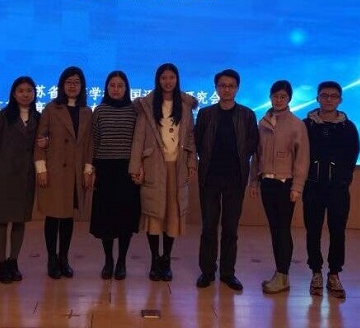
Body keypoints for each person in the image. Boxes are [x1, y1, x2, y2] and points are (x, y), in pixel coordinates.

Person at [129, 63, 197, 282]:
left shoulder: (185, 106)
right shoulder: (147, 105)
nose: (168, 82)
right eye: (164, 78)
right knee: (154, 215)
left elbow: (190, 137)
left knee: (172, 216)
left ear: (177, 80)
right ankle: (154, 259)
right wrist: (136, 166)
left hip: (176, 168)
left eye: (171, 77)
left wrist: (192, 163)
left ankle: (166, 260)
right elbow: (139, 138)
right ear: (158, 80)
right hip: (154, 166)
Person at [194, 69, 259, 291]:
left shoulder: (247, 115)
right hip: (209, 178)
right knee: (208, 227)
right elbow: (198, 141)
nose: (227, 89)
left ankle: (228, 273)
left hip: (235, 179)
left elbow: (252, 143)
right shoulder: (206, 114)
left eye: (231, 86)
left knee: (231, 228)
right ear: (216, 88)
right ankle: (207, 271)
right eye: (222, 85)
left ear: (237, 88)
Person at [0, 76, 44, 284]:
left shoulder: (38, 117)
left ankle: (13, 261)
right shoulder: (3, 116)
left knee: (19, 221)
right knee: (1, 221)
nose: (25, 94)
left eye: (29, 91)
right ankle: (1, 263)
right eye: (21, 91)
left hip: (26, 177)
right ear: (14, 94)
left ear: (34, 94)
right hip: (3, 175)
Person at [249, 79, 309, 294]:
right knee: (275, 229)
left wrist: (297, 187)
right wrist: (254, 181)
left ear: (289, 98)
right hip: (267, 182)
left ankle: (283, 275)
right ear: (270, 97)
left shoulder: (297, 124)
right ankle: (280, 273)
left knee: (283, 229)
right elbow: (256, 155)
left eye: (283, 96)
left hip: (286, 184)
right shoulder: (263, 122)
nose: (279, 100)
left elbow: (302, 159)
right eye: (275, 96)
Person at [303, 81, 360, 299]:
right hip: (312, 188)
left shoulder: (348, 128)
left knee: (337, 232)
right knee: (313, 231)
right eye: (324, 95)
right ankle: (316, 272)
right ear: (317, 98)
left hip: (338, 190)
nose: (328, 99)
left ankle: (334, 274)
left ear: (340, 100)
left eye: (333, 96)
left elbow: (353, 155)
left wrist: (343, 180)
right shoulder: (305, 125)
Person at [35, 66, 93, 279]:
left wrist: (88, 170)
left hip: (75, 173)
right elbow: (40, 140)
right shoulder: (51, 108)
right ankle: (51, 259)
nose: (72, 86)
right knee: (53, 217)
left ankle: (64, 258)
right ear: (61, 85)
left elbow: (89, 144)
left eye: (76, 82)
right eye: (68, 82)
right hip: (55, 171)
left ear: (82, 86)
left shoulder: (87, 111)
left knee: (68, 218)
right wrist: (41, 169)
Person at [90, 71, 140, 280]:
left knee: (125, 219)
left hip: (127, 171)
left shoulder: (134, 110)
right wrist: (92, 169)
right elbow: (94, 141)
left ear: (126, 88)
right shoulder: (99, 110)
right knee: (106, 218)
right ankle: (108, 260)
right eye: (112, 85)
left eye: (120, 85)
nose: (116, 89)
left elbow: (138, 140)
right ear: (107, 88)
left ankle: (122, 261)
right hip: (104, 170)